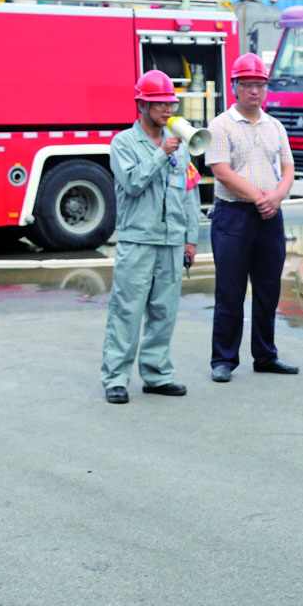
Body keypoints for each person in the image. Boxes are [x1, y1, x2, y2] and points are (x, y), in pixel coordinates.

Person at [100, 70, 200, 404]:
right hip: (138, 241)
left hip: (171, 242)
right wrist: (162, 154)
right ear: (141, 105)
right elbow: (132, 183)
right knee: (126, 310)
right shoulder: (123, 143)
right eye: (160, 105)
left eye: (171, 103)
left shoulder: (180, 143)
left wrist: (191, 238)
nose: (168, 110)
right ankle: (116, 378)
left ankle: (157, 374)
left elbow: (188, 192)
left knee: (164, 311)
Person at [205, 53, 298, 382]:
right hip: (234, 216)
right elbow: (222, 172)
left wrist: (277, 197)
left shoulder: (275, 126)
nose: (254, 91)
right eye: (247, 85)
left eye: (260, 85)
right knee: (230, 289)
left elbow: (288, 168)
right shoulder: (221, 126)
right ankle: (224, 359)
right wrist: (261, 198)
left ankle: (265, 355)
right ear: (234, 87)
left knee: (268, 289)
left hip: (270, 216)